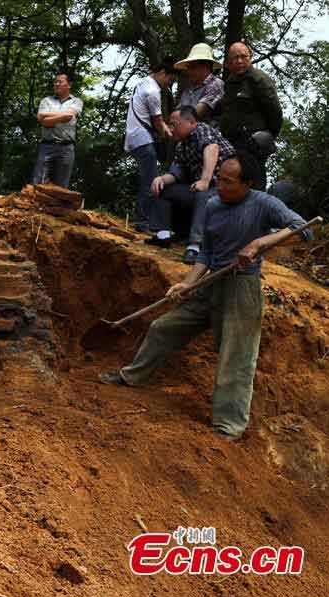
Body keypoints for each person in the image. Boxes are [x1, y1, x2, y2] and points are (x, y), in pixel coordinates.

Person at [99, 151, 313, 441]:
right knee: (163, 327)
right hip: (211, 282)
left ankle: (229, 425)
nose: (220, 186)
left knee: (236, 357)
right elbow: (206, 253)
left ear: (247, 184)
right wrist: (187, 284)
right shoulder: (213, 205)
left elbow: (303, 229)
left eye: (228, 182)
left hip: (242, 289)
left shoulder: (264, 203)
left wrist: (260, 243)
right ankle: (132, 375)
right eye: (218, 179)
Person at [146, 106, 236, 265]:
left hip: (224, 189)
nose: (171, 128)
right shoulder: (182, 145)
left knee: (202, 192)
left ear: (191, 122)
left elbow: (212, 148)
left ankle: (195, 246)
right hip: (203, 188)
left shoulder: (201, 130)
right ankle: (163, 235)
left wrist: (205, 180)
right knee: (164, 189)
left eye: (175, 124)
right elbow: (176, 173)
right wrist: (161, 179)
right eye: (170, 124)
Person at [124, 58, 179, 232]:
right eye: (170, 80)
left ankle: (143, 219)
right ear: (162, 73)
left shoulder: (142, 83)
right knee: (151, 181)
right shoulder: (153, 91)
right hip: (142, 139)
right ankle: (142, 221)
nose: (169, 85)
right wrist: (171, 135)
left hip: (134, 137)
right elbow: (158, 121)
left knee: (147, 178)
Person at [218, 42, 283, 190]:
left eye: (243, 56)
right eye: (235, 58)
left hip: (254, 144)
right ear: (228, 62)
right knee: (236, 185)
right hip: (233, 144)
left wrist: (268, 135)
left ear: (250, 57)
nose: (240, 61)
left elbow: (275, 112)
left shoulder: (259, 79)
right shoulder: (230, 83)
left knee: (254, 186)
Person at [32, 72, 83, 188]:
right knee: (39, 183)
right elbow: (43, 121)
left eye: (60, 82)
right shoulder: (46, 101)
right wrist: (62, 116)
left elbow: (68, 116)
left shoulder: (76, 101)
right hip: (47, 146)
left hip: (67, 148)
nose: (56, 84)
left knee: (61, 188)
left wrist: (46, 115)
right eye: (55, 82)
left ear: (69, 84)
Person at [175, 43, 224, 125]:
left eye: (192, 67)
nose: (189, 71)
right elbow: (178, 112)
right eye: (188, 68)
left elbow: (195, 115)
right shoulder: (189, 88)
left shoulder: (215, 84)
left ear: (206, 66)